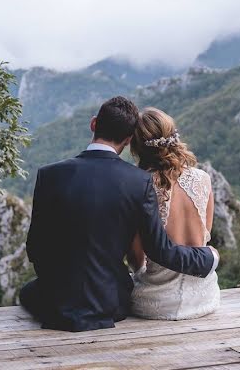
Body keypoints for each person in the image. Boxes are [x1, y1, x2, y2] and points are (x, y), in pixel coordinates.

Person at [20, 96, 218, 332]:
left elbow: (35, 247)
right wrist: (210, 257)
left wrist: (58, 284)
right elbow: (159, 250)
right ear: (127, 139)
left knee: (28, 292)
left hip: (55, 301)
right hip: (110, 302)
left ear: (93, 124)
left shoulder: (49, 175)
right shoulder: (137, 182)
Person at [128, 107, 220, 319]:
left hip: (156, 302)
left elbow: (136, 258)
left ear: (136, 146)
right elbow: (205, 235)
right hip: (205, 297)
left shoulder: (138, 186)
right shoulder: (203, 179)